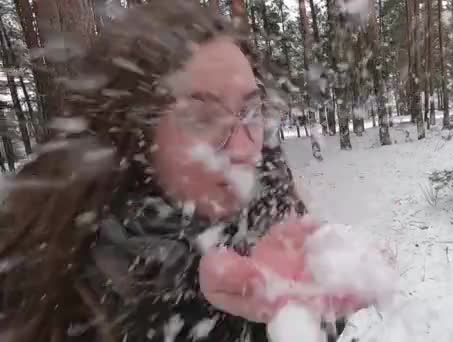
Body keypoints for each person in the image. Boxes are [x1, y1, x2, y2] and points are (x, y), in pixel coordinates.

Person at [0, 1, 371, 341]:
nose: (244, 148)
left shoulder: (274, 213)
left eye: (251, 112)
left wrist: (299, 314)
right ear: (135, 138)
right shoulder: (54, 288)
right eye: (203, 117)